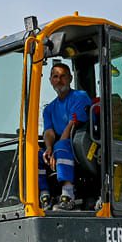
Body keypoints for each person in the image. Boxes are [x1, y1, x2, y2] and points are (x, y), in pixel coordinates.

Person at [41, 62, 94, 208]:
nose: (59, 80)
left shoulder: (79, 97)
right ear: (51, 80)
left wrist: (55, 149)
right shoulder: (49, 109)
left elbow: (72, 125)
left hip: (84, 144)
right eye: (55, 76)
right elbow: (49, 132)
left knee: (61, 145)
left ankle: (68, 193)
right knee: (37, 154)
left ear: (70, 78)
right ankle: (44, 195)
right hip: (61, 144)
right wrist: (49, 150)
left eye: (63, 76)